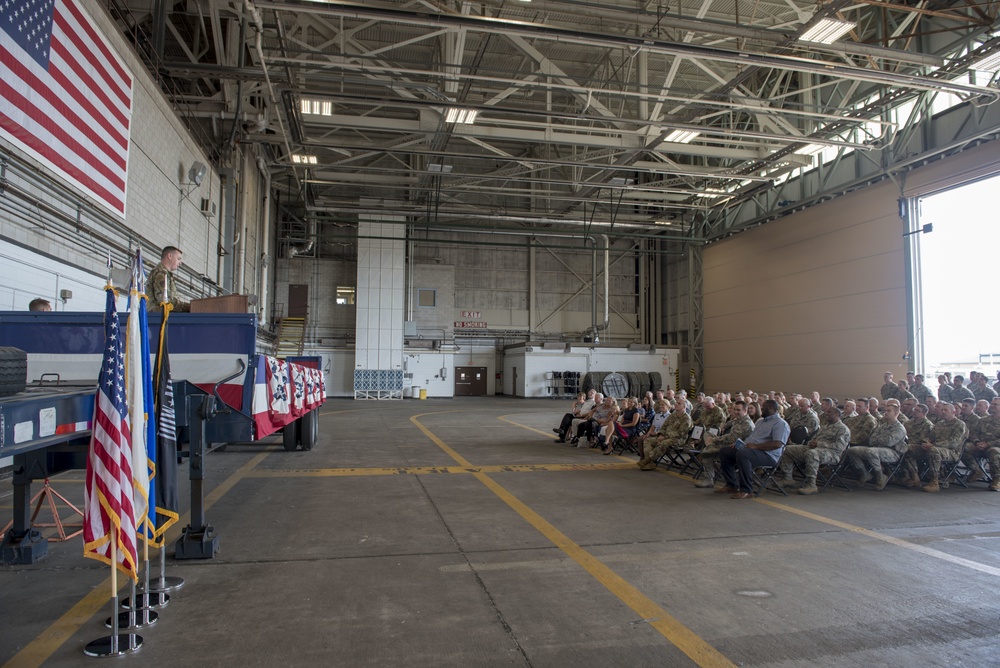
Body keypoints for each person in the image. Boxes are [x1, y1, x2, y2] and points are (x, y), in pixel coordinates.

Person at [716, 399, 790, 499]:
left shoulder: (780, 424)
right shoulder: (761, 422)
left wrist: (755, 446)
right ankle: (731, 485)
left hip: (768, 455)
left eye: (763, 408)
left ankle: (746, 490)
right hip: (752, 450)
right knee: (725, 452)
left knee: (743, 454)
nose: (761, 410)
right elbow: (752, 438)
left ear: (771, 408)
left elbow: (777, 444)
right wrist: (739, 444)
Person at [778, 406, 850, 495]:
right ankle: (787, 478)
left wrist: (819, 444)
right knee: (788, 450)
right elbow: (814, 438)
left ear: (836, 414)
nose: (826, 414)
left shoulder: (843, 429)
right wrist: (811, 443)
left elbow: (839, 447)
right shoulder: (824, 426)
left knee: (812, 454)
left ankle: (811, 485)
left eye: (829, 412)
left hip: (832, 454)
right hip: (815, 449)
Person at [902, 402, 967, 493]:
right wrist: (926, 442)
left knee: (933, 450)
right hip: (933, 448)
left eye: (946, 410)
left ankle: (934, 482)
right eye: (942, 410)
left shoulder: (959, 424)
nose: (943, 412)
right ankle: (915, 477)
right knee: (908, 448)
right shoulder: (940, 423)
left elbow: (954, 442)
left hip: (951, 452)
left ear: (954, 412)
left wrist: (933, 445)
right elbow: (930, 437)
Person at [845, 400, 907, 491]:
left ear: (896, 413)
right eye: (885, 410)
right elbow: (871, 440)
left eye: (889, 411)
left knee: (871, 451)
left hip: (893, 453)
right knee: (852, 450)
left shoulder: (899, 428)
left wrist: (878, 440)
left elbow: (889, 442)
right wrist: (880, 440)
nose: (885, 413)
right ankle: (865, 474)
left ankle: (881, 477)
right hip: (877, 449)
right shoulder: (882, 426)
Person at [696, 400, 755, 488]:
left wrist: (715, 439)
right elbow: (729, 423)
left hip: (736, 448)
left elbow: (731, 438)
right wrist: (724, 426)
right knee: (707, 433)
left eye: (738, 410)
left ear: (745, 411)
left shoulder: (746, 424)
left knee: (706, 453)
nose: (735, 412)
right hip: (728, 444)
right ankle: (710, 445)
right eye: (734, 409)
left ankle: (708, 479)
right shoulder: (738, 420)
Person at [637, 401, 692, 471]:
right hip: (665, 436)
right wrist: (661, 435)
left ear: (684, 407)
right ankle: (649, 463)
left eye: (679, 404)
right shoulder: (673, 415)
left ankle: (647, 460)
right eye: (676, 403)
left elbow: (681, 433)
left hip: (678, 439)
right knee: (648, 440)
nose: (676, 404)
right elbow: (664, 427)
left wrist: (664, 437)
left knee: (663, 443)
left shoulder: (686, 418)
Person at [148, 246, 191, 312]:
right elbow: (164, 300)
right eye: (178, 259)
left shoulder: (165, 273)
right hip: (159, 318)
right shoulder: (161, 273)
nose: (180, 263)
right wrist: (190, 307)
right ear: (170, 256)